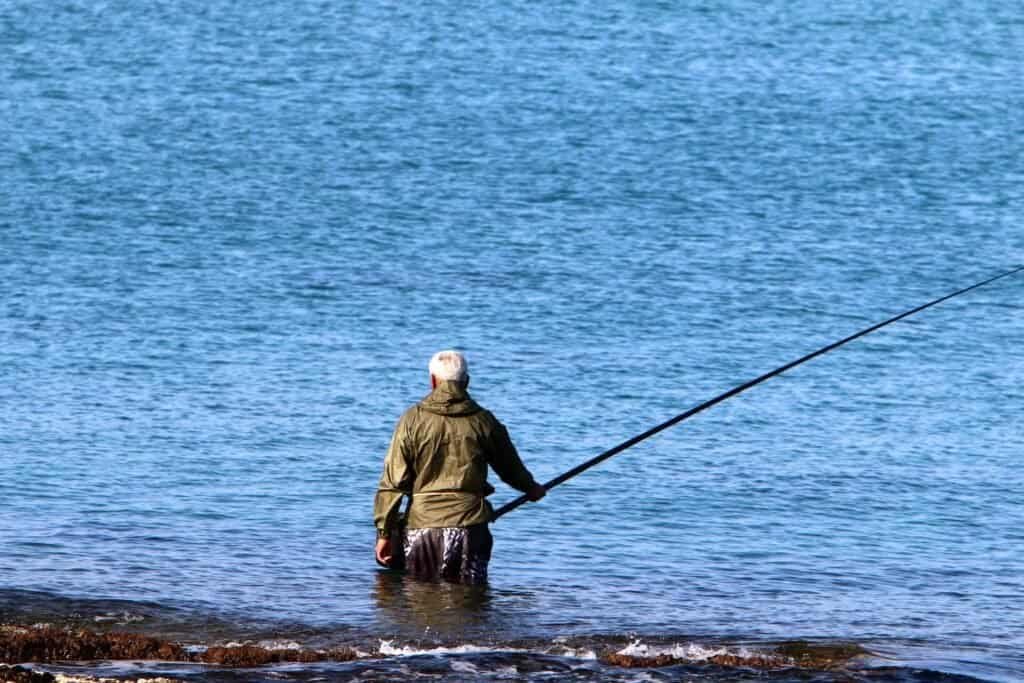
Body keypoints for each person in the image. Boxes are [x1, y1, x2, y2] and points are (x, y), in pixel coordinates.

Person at [373, 350, 545, 584]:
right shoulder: (484, 421)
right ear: (466, 381)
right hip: (471, 529)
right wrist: (531, 488)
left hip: (422, 528)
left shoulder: (411, 420)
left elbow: (393, 483)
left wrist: (384, 533)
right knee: (471, 605)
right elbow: (510, 469)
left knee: (421, 603)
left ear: (433, 381)